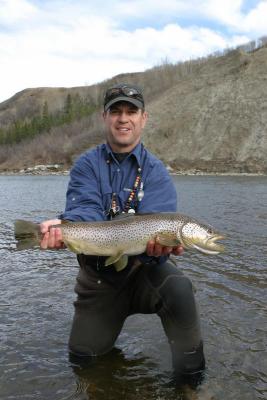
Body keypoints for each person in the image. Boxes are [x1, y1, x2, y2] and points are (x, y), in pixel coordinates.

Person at [40, 83, 205, 386]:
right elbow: (85, 210)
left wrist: (159, 247)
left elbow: (156, 224)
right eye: (116, 111)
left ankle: (190, 384)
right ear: (104, 117)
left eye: (131, 111)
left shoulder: (156, 172)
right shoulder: (86, 166)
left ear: (144, 118)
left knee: (180, 289)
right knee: (83, 361)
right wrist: (65, 227)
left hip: (145, 273)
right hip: (98, 278)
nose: (123, 118)